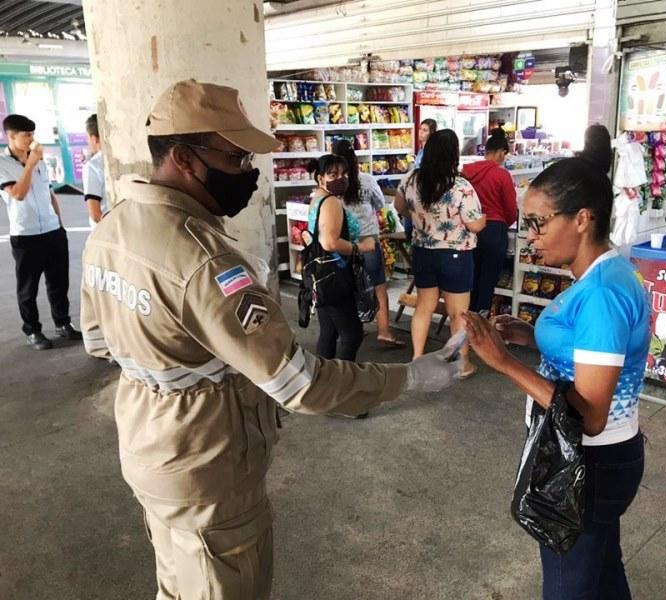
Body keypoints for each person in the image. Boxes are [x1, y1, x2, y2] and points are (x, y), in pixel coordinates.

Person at [81, 80, 462, 600]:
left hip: (148, 450)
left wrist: (177, 356)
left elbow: (99, 341)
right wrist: (411, 376)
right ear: (187, 159)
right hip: (207, 467)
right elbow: (299, 383)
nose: (248, 173)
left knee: (177, 585)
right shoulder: (205, 261)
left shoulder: (110, 230)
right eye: (237, 158)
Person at [463, 146, 650, 600]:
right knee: (603, 574)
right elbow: (586, 351)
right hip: (595, 460)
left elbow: (589, 416)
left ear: (582, 219)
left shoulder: (603, 293)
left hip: (590, 462)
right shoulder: (595, 277)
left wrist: (504, 363)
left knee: (569, 587)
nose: (530, 236)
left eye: (538, 222)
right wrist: (534, 337)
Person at [395, 128, 486, 377]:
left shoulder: (411, 179)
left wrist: (420, 220)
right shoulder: (461, 186)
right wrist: (483, 219)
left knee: (424, 307)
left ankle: (416, 359)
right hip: (456, 255)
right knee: (458, 312)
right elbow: (475, 224)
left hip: (423, 251)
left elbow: (399, 206)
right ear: (453, 155)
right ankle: (461, 364)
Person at [0, 114, 82, 350]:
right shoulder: (3, 164)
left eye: (33, 134)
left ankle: (63, 323)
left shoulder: (39, 161)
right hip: (25, 236)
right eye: (26, 135)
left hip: (52, 231)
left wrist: (59, 222)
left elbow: (48, 192)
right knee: (28, 287)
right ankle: (33, 330)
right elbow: (18, 193)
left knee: (59, 282)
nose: (31, 140)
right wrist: (30, 164)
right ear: (11, 136)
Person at [332, 138, 405, 348]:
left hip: (344, 244)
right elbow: (380, 203)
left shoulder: (334, 186)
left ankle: (353, 330)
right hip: (369, 241)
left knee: (350, 288)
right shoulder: (366, 180)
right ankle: (384, 332)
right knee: (378, 287)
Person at [307, 153, 376, 361]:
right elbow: (330, 242)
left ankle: (324, 378)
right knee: (352, 334)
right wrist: (361, 247)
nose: (341, 178)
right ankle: (343, 381)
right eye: (333, 174)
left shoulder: (317, 198)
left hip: (321, 273)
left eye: (344, 173)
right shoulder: (331, 203)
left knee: (329, 331)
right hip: (335, 274)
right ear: (320, 177)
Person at [462, 128, 518, 313]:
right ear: (502, 153)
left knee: (471, 276)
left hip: (470, 228)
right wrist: (505, 223)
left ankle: (466, 319)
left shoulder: (467, 172)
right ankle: (482, 319)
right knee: (488, 279)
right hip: (494, 229)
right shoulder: (502, 175)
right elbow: (511, 208)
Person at [84, 113, 106, 228]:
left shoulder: (93, 165)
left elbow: (95, 214)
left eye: (87, 138)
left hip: (107, 232)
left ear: (94, 139)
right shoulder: (122, 157)